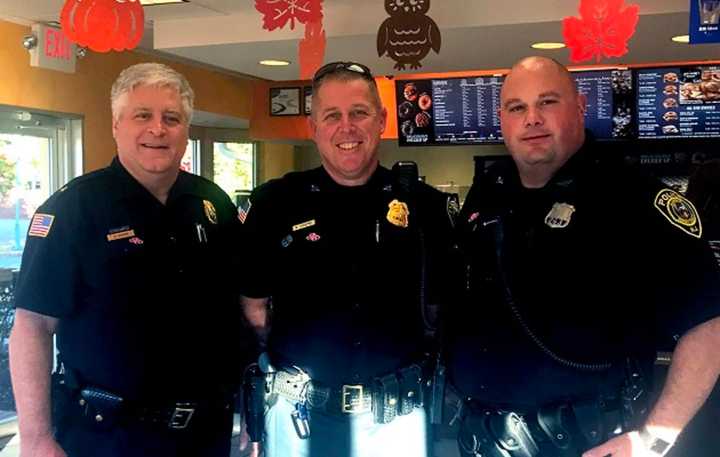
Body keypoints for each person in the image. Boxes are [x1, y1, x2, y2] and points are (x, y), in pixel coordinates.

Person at [447, 56, 720, 457]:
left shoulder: (631, 198)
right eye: (517, 107)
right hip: (483, 439)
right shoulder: (489, 194)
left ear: (580, 106)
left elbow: (710, 325)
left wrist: (654, 439)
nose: (532, 119)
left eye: (548, 102)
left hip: (591, 443)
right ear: (502, 119)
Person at [9, 62, 248, 457]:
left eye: (172, 118)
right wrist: (35, 437)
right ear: (117, 124)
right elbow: (33, 327)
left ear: (186, 132)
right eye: (143, 115)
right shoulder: (73, 210)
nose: (158, 129)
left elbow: (239, 305)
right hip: (107, 437)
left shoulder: (213, 204)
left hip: (205, 434)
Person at [239, 61, 455, 457]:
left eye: (359, 113)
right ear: (313, 127)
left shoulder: (427, 209)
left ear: (382, 120)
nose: (347, 127)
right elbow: (254, 308)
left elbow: (443, 310)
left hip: (398, 419)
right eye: (332, 116)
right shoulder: (275, 203)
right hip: (297, 417)